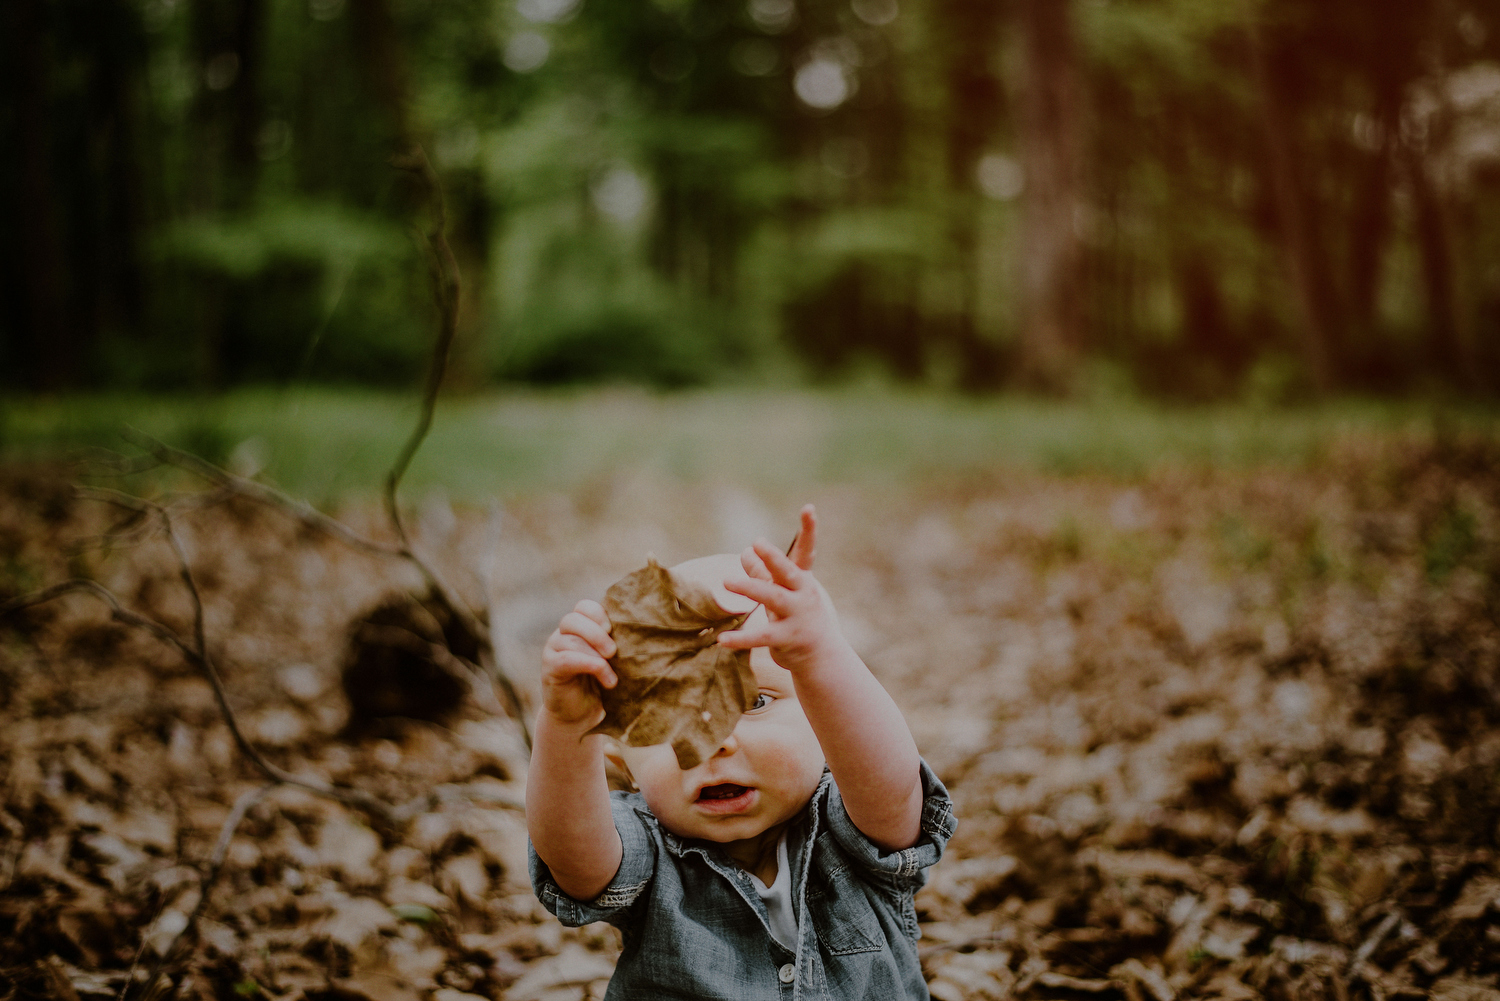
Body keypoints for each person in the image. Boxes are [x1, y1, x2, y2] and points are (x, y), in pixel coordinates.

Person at [527, 504, 956, 1000]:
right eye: (678, 716)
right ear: (624, 760)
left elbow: (894, 789)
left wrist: (819, 657)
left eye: (755, 702)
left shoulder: (854, 828)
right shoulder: (644, 849)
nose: (715, 740)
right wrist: (564, 725)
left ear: (824, 722)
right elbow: (574, 862)